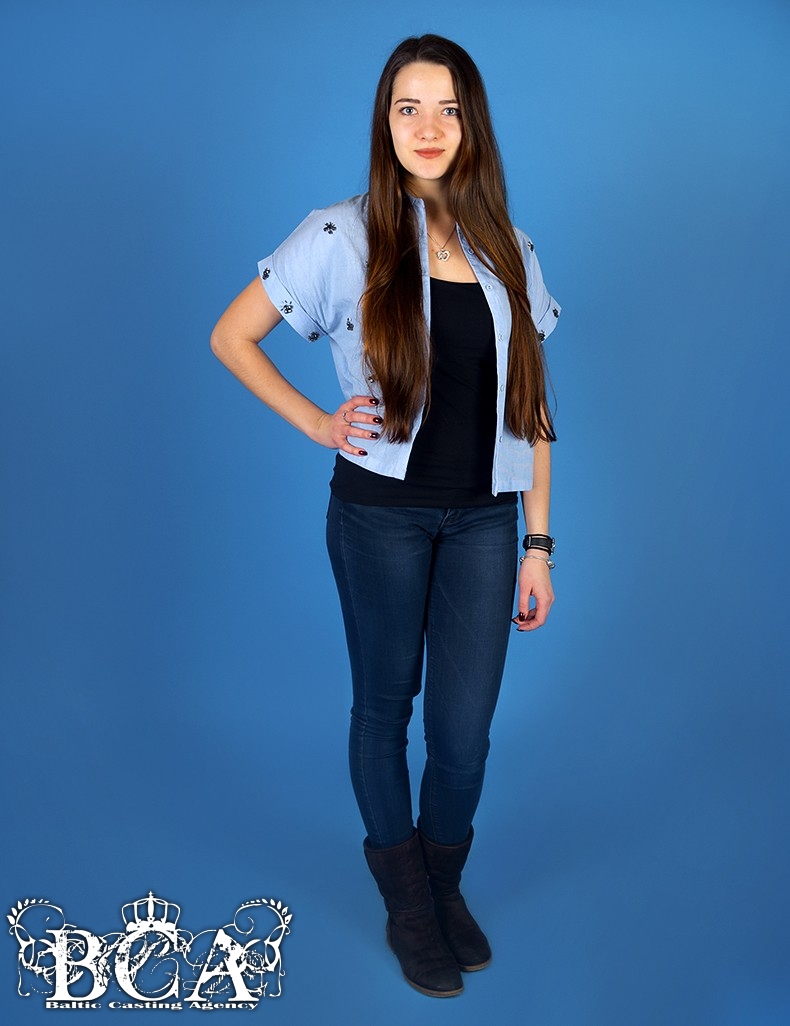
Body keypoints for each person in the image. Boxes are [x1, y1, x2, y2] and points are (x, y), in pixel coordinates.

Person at [210, 34, 561, 998]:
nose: (428, 127)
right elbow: (232, 336)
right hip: (379, 519)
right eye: (409, 108)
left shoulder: (511, 249)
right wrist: (318, 422)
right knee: (384, 707)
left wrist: (538, 543)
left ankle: (441, 886)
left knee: (463, 732)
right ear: (386, 122)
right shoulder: (340, 235)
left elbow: (534, 411)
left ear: (471, 124)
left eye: (448, 109)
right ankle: (409, 905)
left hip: (486, 522)